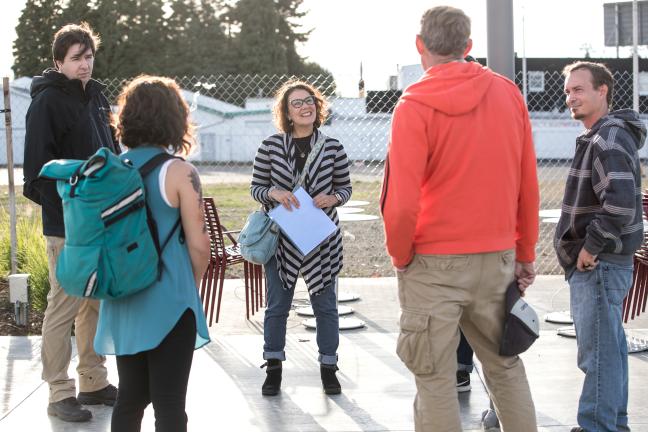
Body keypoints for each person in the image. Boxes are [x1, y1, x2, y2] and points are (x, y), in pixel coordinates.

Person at [380, 6, 540, 431]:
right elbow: (527, 182)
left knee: (434, 376)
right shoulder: (508, 94)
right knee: (505, 366)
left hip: (433, 263)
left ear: (420, 47)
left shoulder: (413, 106)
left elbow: (401, 203)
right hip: (497, 257)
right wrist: (524, 253)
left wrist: (400, 256)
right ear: (469, 47)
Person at [92, 75, 211, 431]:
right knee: (170, 403)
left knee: (129, 398)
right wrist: (191, 283)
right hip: (171, 298)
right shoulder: (179, 172)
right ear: (175, 119)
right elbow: (200, 244)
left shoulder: (110, 171)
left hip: (123, 295)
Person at [22, 22, 120, 423]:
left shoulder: (97, 97)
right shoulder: (46, 103)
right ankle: (59, 391)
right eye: (77, 58)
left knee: (93, 303)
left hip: (103, 224)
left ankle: (92, 380)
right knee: (64, 305)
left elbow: (111, 154)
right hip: (67, 227)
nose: (85, 64)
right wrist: (70, 211)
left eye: (89, 56)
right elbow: (35, 175)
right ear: (58, 61)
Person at [556, 61, 645, 432]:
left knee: (598, 353)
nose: (570, 97)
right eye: (567, 91)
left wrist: (590, 248)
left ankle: (598, 426)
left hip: (599, 264)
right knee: (609, 350)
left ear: (602, 90)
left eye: (579, 89)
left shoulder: (607, 137)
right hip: (603, 263)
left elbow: (622, 202)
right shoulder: (602, 135)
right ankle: (612, 423)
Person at [251, 80, 352, 396]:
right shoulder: (269, 146)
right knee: (277, 307)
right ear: (286, 112)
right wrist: (274, 193)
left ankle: (328, 368)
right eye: (297, 103)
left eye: (309, 100)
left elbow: (346, 189)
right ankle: (274, 369)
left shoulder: (333, 147)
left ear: (317, 106)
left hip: (321, 240)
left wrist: (332, 198)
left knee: (325, 307)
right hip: (282, 240)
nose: (305, 106)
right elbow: (255, 188)